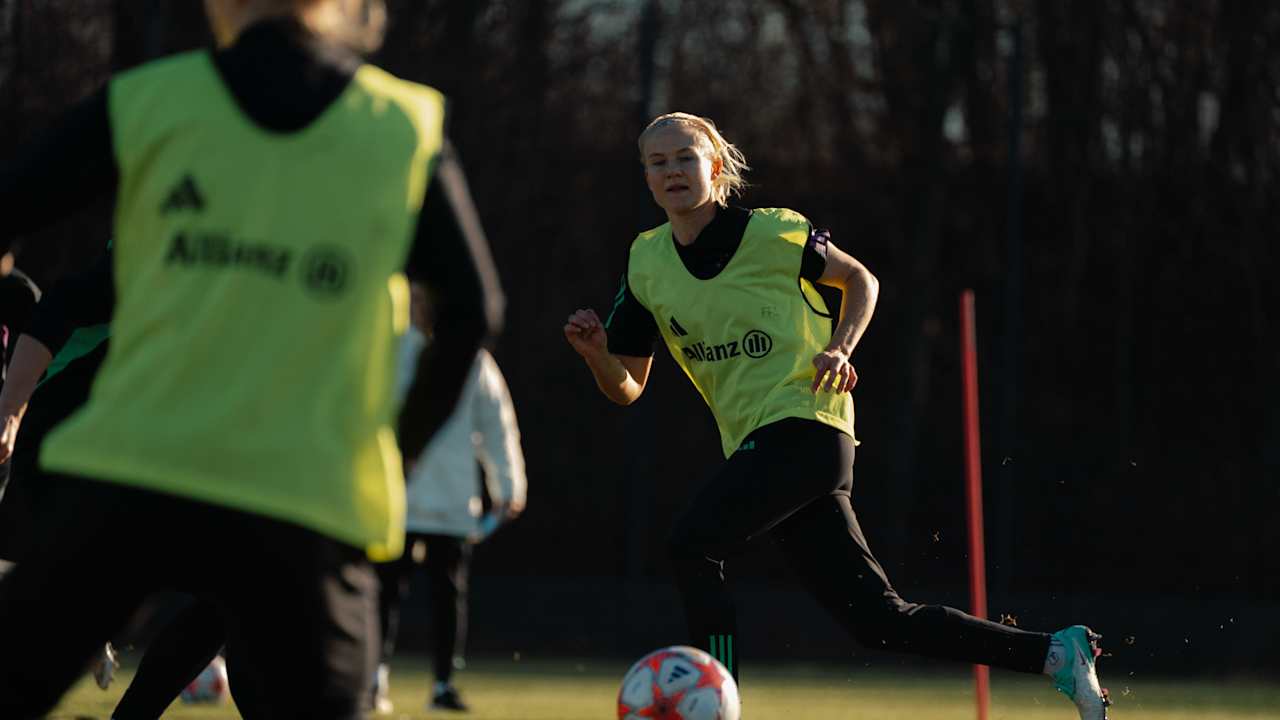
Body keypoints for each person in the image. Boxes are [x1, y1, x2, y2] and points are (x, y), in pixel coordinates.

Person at [0, 0, 503, 717]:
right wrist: (399, 450)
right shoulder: (400, 125)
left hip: (137, 473)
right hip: (305, 491)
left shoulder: (153, 100)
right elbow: (475, 309)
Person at [562, 111, 1110, 720]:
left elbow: (861, 281)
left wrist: (840, 346)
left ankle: (713, 705)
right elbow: (628, 386)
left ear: (713, 168)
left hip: (808, 426)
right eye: (657, 163)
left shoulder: (772, 233)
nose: (672, 172)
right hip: (762, 446)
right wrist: (595, 356)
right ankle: (1053, 654)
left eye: (684, 158)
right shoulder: (646, 264)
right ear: (645, 177)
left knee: (692, 543)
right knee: (877, 619)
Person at [374, 294, 528, 713]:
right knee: (384, 592)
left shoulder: (474, 361)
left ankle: (443, 684)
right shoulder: (389, 347)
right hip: (398, 501)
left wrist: (510, 487)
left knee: (447, 598)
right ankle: (375, 678)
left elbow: (499, 426)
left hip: (453, 506)